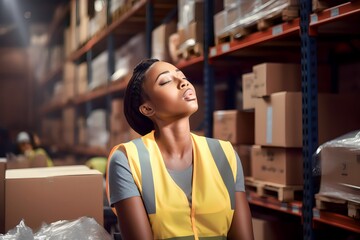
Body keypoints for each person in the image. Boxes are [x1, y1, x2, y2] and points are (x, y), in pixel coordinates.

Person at [106, 59, 254, 239]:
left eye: (182, 77)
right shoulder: (127, 159)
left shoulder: (225, 154)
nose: (183, 82)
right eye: (166, 81)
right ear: (147, 108)